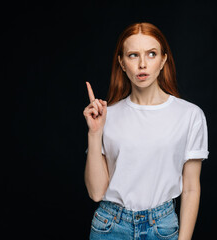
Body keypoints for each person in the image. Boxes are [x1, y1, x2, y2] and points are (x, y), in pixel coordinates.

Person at [83, 22, 209, 240]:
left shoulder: (190, 115)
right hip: (110, 226)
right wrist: (94, 133)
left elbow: (190, 188)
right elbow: (96, 193)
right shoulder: (107, 116)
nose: (142, 64)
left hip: (162, 227)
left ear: (163, 60)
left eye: (151, 54)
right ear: (122, 63)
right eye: (133, 55)